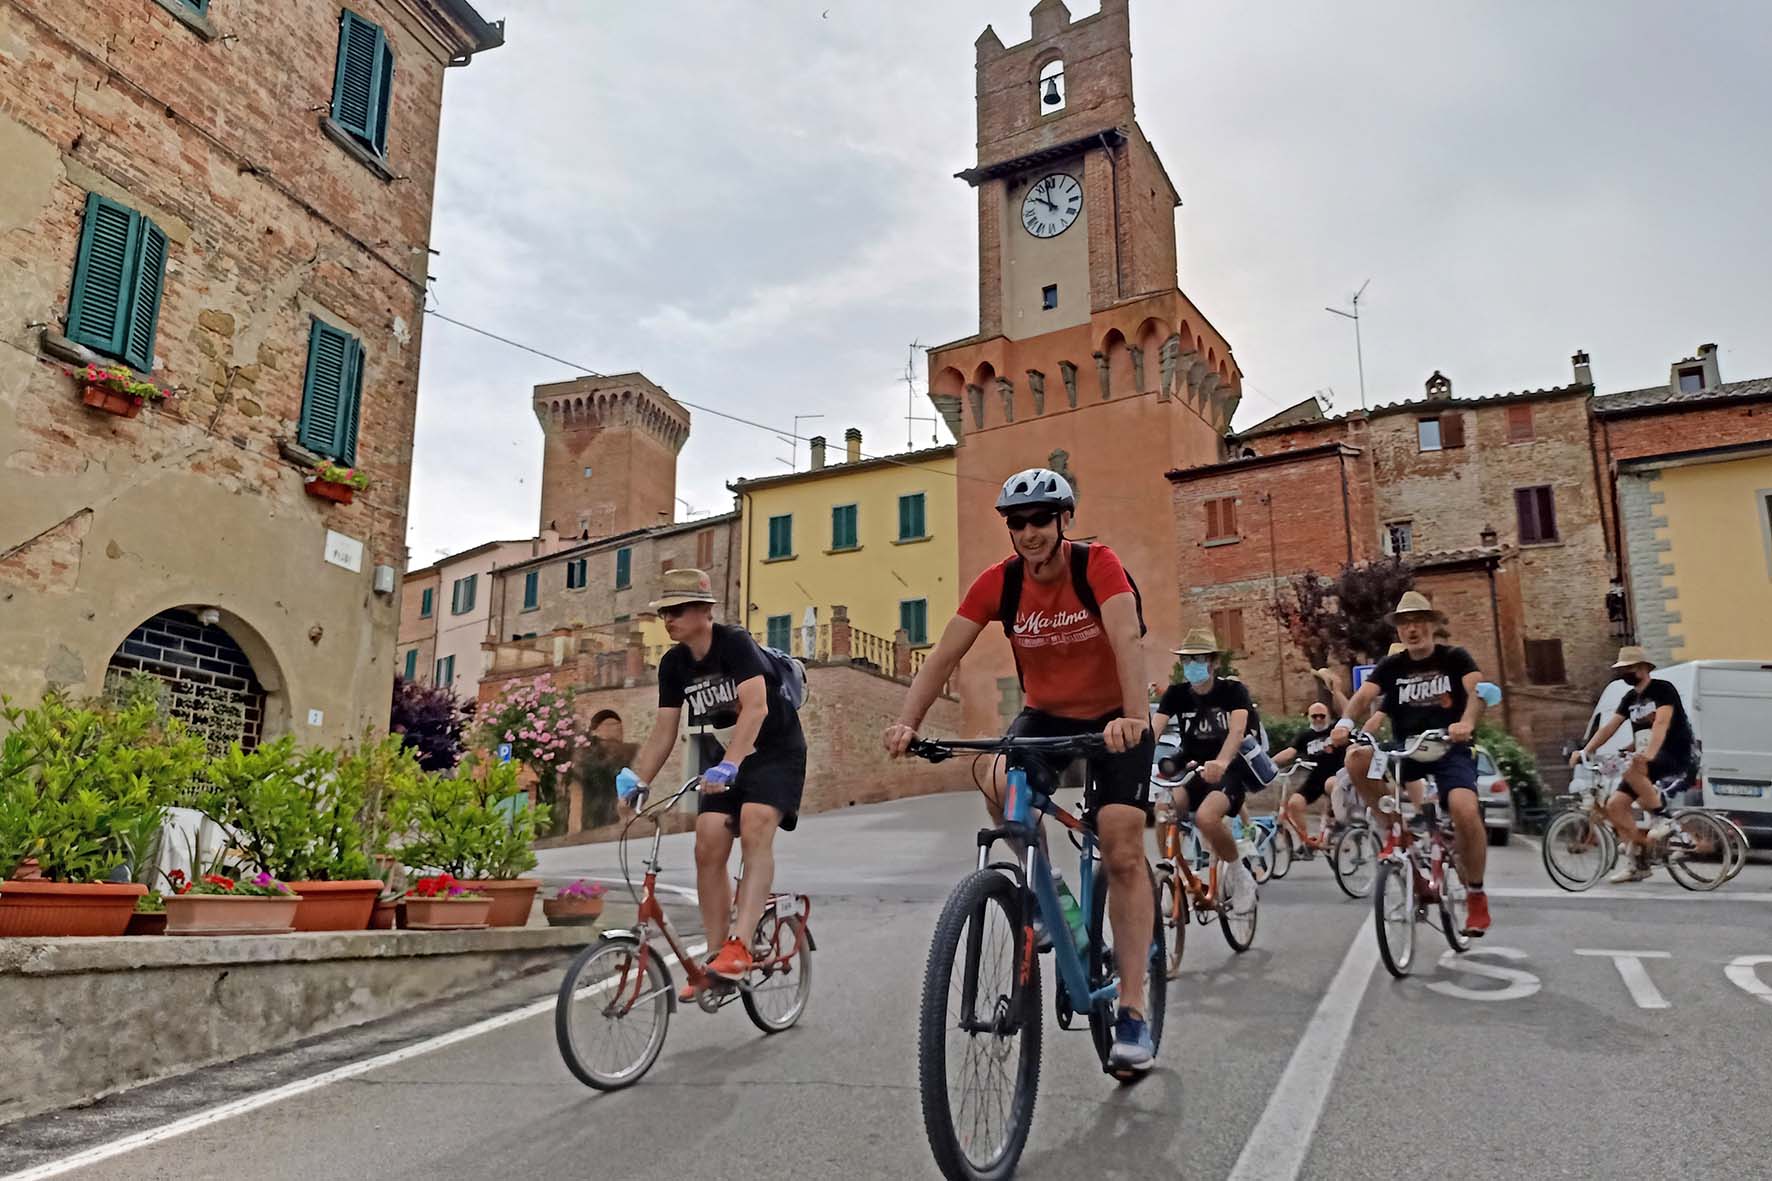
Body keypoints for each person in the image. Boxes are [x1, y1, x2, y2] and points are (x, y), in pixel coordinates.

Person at [883, 467, 1157, 1072]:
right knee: (995, 773)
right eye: (1017, 522)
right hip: (1047, 715)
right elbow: (943, 655)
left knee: (1121, 847)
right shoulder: (1000, 583)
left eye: (1040, 520)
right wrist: (908, 721)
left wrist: (1134, 717)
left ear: (1064, 521)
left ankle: (1133, 1008)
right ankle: (1043, 886)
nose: (1029, 532)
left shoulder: (1097, 566)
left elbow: (1126, 638)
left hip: (1115, 716)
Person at [617, 568, 807, 997]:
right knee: (707, 841)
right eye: (665, 612)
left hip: (776, 751)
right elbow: (665, 731)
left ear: (704, 611)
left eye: (678, 610)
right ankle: (718, 957)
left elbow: (755, 709)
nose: (669, 619)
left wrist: (731, 766)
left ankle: (740, 946)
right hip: (729, 757)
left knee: (756, 822)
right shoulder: (673, 664)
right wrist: (636, 780)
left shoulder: (734, 643)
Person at [1331, 591, 1491, 935]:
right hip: (1408, 749)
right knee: (1357, 758)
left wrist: (1467, 723)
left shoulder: (1455, 658)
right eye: (1404, 623)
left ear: (1432, 624)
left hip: (1450, 746)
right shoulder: (1393, 666)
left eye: (1418, 621)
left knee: (1464, 809)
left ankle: (1476, 895)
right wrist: (1345, 724)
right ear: (1399, 631)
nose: (1412, 629)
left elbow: (1477, 692)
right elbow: (1363, 698)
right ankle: (1393, 830)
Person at [1150, 629, 1261, 913]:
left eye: (1198, 659)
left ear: (1213, 662)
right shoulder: (1176, 695)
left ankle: (1240, 875)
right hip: (1194, 771)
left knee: (1206, 818)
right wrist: (1131, 763)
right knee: (1164, 808)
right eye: (1187, 660)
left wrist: (1222, 762)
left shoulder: (1233, 692)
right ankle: (1171, 877)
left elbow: (1237, 731)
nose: (1192, 666)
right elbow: (1154, 730)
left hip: (1230, 771)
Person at [1569, 645, 1697, 883]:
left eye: (1629, 668)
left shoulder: (1662, 689)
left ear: (1643, 668)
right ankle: (1638, 862)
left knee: (1633, 768)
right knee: (1615, 806)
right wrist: (1586, 750)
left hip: (1674, 752)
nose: (1624, 673)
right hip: (1645, 757)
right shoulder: (1629, 698)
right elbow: (1609, 727)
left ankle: (1663, 819)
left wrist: (1648, 753)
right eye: (1622, 669)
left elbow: (1661, 723)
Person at [1272, 703, 1347, 850]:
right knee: (1294, 803)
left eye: (1322, 716)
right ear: (1309, 717)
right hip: (1315, 776)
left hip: (1335, 775)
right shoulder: (1305, 736)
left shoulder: (1335, 731)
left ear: (1328, 716)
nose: (1319, 719)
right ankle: (1305, 841)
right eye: (1314, 716)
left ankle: (1337, 823)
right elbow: (1290, 752)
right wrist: (1269, 762)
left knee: (1333, 785)